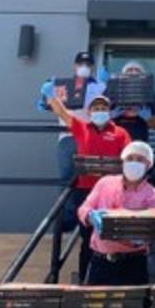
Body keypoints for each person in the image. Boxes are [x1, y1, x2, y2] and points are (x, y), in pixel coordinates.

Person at [44, 92, 132, 283]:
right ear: (90, 111)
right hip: (86, 193)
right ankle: (86, 281)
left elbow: (129, 159)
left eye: (103, 108)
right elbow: (62, 112)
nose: (100, 111)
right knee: (87, 239)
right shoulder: (81, 127)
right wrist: (51, 94)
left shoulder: (121, 133)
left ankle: (113, 281)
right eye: (96, 108)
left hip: (112, 194)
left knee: (112, 239)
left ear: (109, 111)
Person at [37, 52, 107, 230]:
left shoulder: (98, 85)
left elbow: (106, 109)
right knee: (66, 176)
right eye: (81, 63)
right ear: (74, 66)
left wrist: (105, 87)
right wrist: (46, 96)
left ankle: (88, 218)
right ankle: (67, 219)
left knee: (90, 177)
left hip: (90, 136)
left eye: (88, 64)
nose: (84, 67)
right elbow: (46, 104)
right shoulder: (62, 85)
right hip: (67, 136)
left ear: (92, 67)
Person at [76, 141, 155, 285]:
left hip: (133, 263)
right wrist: (91, 216)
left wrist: (133, 237)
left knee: (134, 300)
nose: (134, 162)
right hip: (100, 261)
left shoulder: (152, 195)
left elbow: (150, 231)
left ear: (148, 165)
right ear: (123, 162)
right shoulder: (104, 183)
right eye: (130, 158)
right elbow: (84, 208)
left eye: (140, 159)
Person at [108, 61, 155, 142]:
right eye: (129, 70)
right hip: (114, 140)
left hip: (139, 141)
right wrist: (112, 115)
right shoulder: (112, 90)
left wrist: (147, 117)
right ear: (123, 74)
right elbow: (98, 117)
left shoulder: (149, 93)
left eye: (137, 70)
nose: (133, 72)